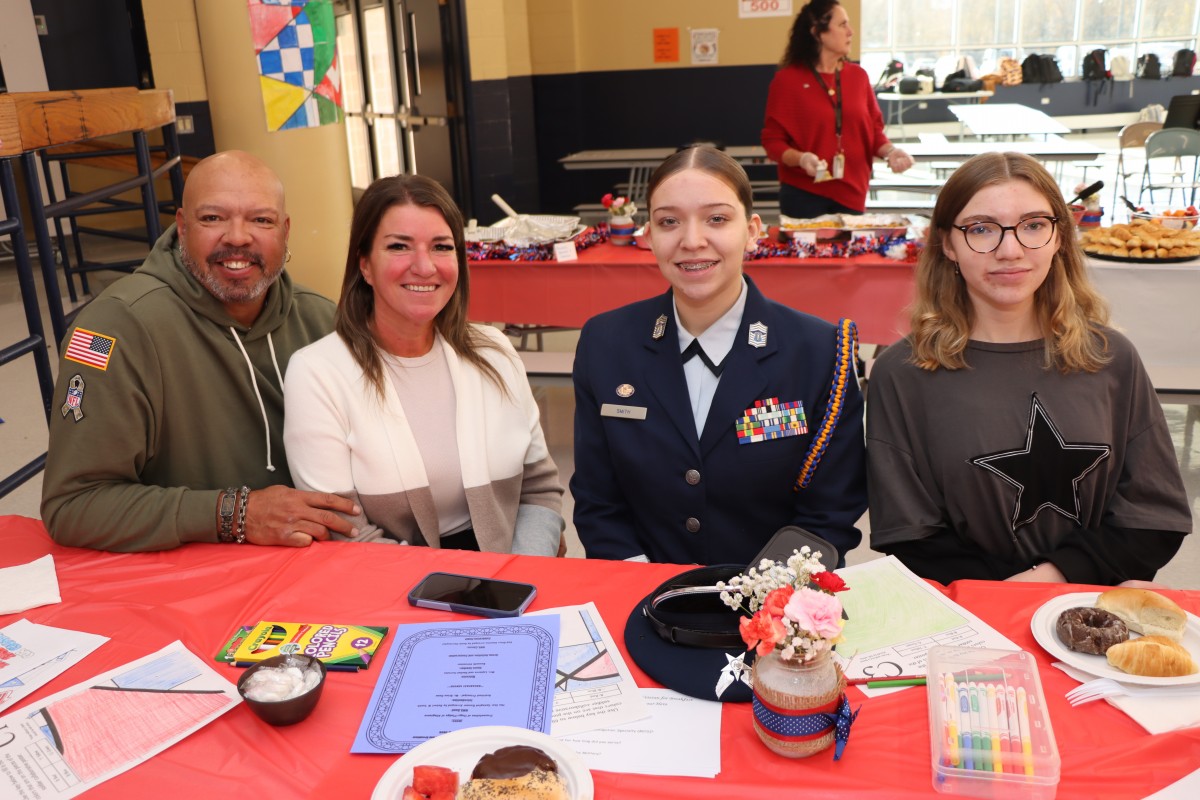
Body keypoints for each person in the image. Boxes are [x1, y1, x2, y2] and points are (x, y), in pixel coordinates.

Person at [866, 152, 1192, 585]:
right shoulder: (901, 374)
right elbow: (909, 536)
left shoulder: (1112, 359)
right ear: (946, 243)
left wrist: (1054, 577)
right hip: (965, 616)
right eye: (981, 229)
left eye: (1034, 225)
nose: (1010, 250)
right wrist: (1000, 598)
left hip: (1086, 609)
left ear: (1059, 237)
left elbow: (1152, 518)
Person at [42, 150, 358, 552]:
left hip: (322, 564)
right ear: (182, 226)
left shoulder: (322, 319)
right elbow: (72, 506)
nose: (238, 237)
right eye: (213, 218)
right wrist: (234, 514)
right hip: (187, 582)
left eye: (261, 220)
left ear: (285, 230)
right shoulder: (113, 328)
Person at [571, 146, 867, 566]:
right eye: (669, 222)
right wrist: (642, 587)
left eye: (717, 219)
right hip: (643, 597)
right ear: (649, 234)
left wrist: (762, 600)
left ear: (752, 230)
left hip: (777, 606)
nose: (692, 241)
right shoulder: (606, 342)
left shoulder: (818, 351)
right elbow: (597, 499)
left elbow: (831, 512)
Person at [282, 175, 565, 555]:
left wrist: (522, 576)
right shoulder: (318, 372)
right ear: (365, 265)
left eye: (441, 247)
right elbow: (343, 532)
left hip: (511, 579)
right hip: (391, 587)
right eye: (399, 246)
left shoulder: (494, 351)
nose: (424, 266)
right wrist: (452, 598)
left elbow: (540, 490)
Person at [761, 0, 914, 219]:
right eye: (842, 25)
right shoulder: (787, 80)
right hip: (803, 193)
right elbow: (772, 142)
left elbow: (873, 132)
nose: (850, 32)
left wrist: (890, 152)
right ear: (818, 32)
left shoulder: (858, 77)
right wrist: (802, 159)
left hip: (853, 192)